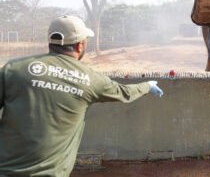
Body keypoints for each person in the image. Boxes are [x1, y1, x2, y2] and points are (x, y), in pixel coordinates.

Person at [0, 15, 164, 177]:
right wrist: (147, 86)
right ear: (80, 46)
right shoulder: (90, 79)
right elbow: (125, 93)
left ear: (51, 42)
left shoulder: (14, 68)